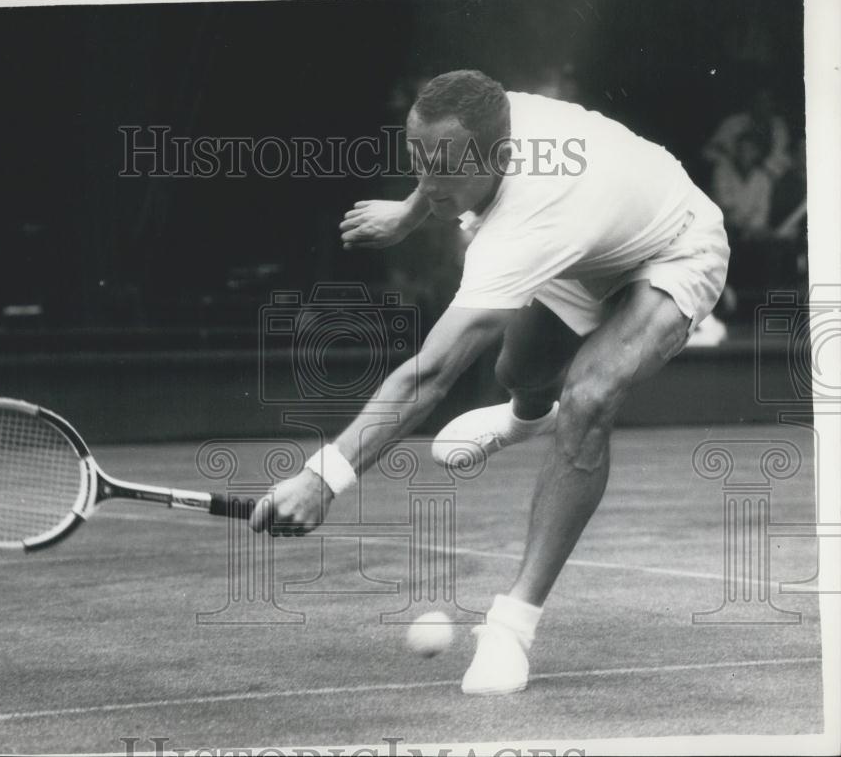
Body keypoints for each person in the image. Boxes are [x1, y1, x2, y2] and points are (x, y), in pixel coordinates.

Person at [249, 70, 730, 695]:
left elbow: (432, 373)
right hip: (592, 240)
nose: (428, 181)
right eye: (416, 161)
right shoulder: (484, 118)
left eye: (444, 169)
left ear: (500, 155)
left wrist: (323, 478)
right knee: (519, 373)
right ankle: (525, 419)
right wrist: (407, 213)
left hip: (674, 244)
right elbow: (440, 160)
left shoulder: (531, 221)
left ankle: (512, 627)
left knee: (588, 395)